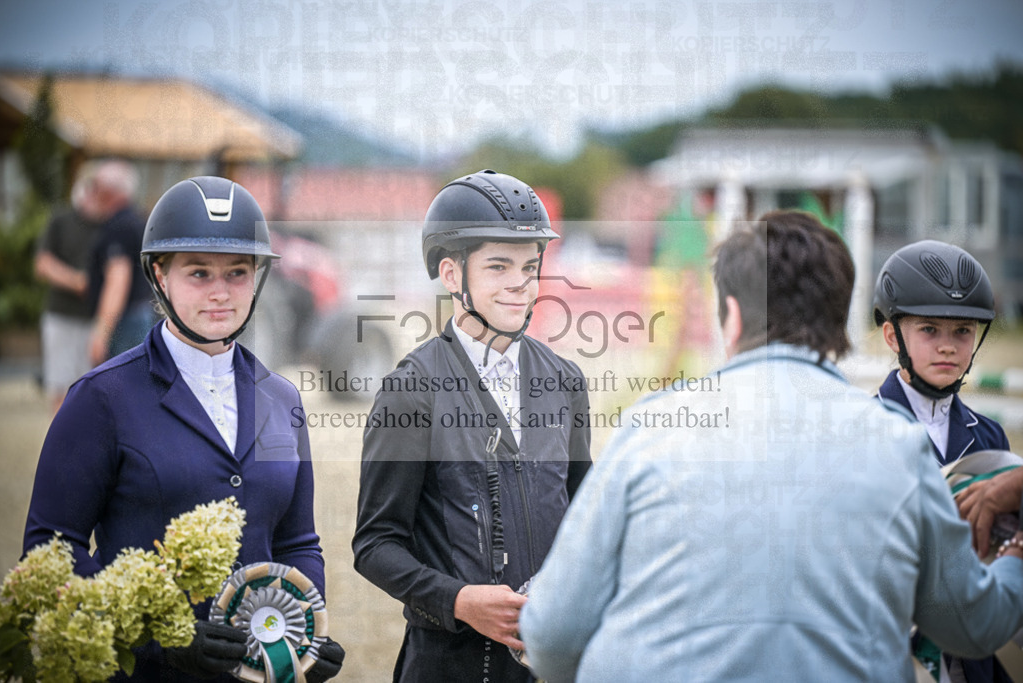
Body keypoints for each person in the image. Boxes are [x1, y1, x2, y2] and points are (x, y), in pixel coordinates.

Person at [519, 210, 1023, 682]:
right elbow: (973, 627)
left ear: (733, 317)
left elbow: (551, 637)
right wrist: (1017, 554)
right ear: (839, 322)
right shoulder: (899, 444)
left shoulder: (650, 425)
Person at [23, 177, 344, 681]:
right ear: (160, 275)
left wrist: (304, 634)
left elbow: (296, 543)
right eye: (198, 273)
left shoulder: (281, 400)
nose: (220, 293)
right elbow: (51, 549)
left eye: (237, 273)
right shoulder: (101, 398)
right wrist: (160, 637)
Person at [352, 169, 592, 682]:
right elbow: (375, 546)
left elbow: (584, 519)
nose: (519, 285)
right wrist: (458, 600)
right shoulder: (410, 389)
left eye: (529, 268)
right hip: (448, 666)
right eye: (498, 266)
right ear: (452, 274)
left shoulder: (567, 381)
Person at [874, 239, 1016, 682]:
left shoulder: (989, 436)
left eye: (962, 332)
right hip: (895, 654)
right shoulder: (863, 432)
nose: (948, 347)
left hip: (972, 655)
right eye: (929, 330)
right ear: (893, 336)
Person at [34, 165, 103, 413]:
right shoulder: (61, 220)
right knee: (61, 388)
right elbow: (42, 264)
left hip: (98, 320)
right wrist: (77, 281)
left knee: (92, 389)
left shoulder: (109, 225)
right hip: (62, 316)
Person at [85, 160, 155, 365]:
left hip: (125, 321)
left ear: (109, 191)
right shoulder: (138, 220)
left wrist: (101, 333)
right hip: (140, 314)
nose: (92, 192)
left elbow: (118, 280)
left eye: (95, 186)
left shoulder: (118, 226)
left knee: (118, 377)